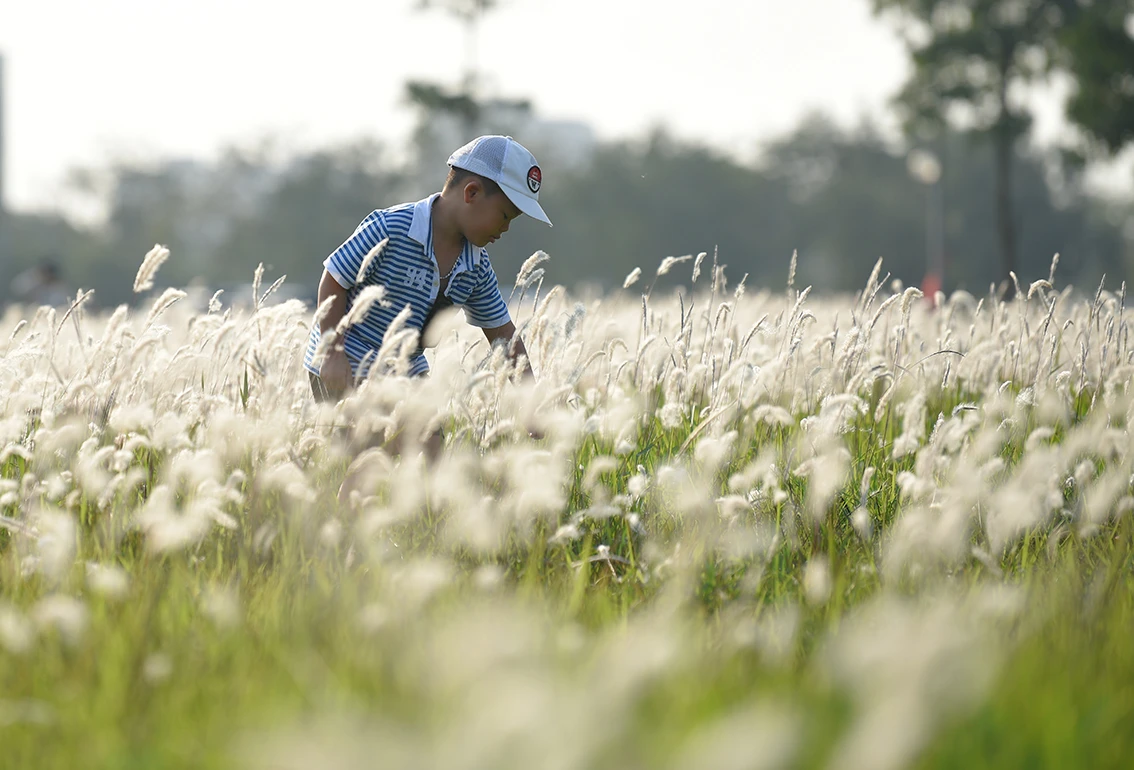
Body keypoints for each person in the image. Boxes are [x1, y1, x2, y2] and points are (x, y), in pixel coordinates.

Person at [303, 135, 552, 493]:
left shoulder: (475, 267)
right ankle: (346, 534)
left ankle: (419, 530)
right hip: (346, 359)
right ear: (471, 194)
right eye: (505, 215)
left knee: (432, 446)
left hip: (405, 369)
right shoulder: (390, 227)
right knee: (371, 452)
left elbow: (504, 336)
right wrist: (333, 352)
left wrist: (530, 400)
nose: (506, 229)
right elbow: (333, 280)